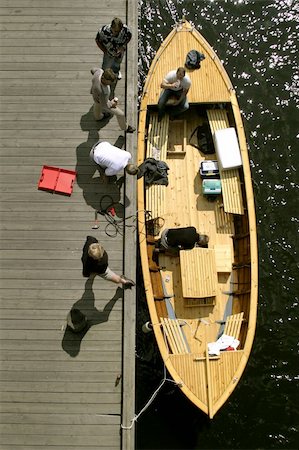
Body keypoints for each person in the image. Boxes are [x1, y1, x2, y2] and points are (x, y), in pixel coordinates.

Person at [90, 67, 135, 133]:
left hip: (95, 96)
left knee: (97, 113)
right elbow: (104, 105)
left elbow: (92, 70)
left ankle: (99, 117)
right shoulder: (102, 91)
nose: (111, 83)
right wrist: (112, 103)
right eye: (110, 82)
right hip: (101, 100)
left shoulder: (99, 72)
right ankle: (126, 128)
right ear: (104, 79)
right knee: (120, 114)